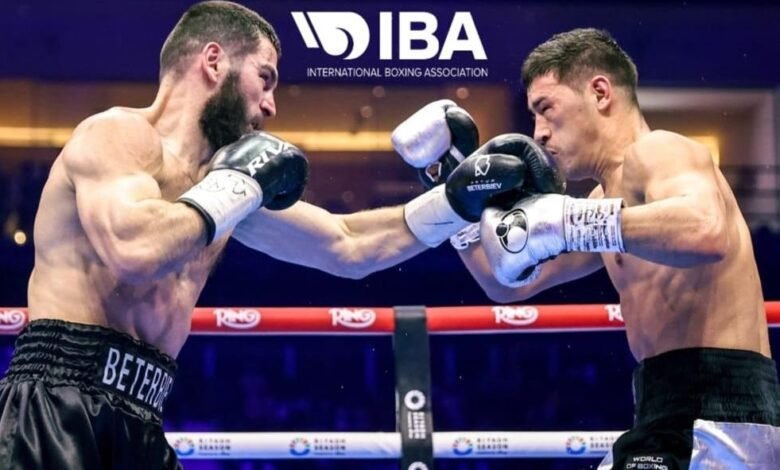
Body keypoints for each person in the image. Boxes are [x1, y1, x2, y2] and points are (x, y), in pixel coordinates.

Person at [0, 2, 546, 468]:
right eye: (265, 78)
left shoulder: (221, 184)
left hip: (143, 414)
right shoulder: (117, 135)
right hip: (55, 403)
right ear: (214, 60)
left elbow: (348, 243)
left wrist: (454, 200)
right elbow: (136, 249)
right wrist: (236, 186)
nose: (271, 105)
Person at [459, 28, 780, 469]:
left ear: (600, 92)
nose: (539, 134)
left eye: (546, 109)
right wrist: (456, 210)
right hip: (664, 410)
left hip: (719, 410)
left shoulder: (660, 150)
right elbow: (510, 282)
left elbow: (706, 231)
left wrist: (569, 223)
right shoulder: (601, 204)